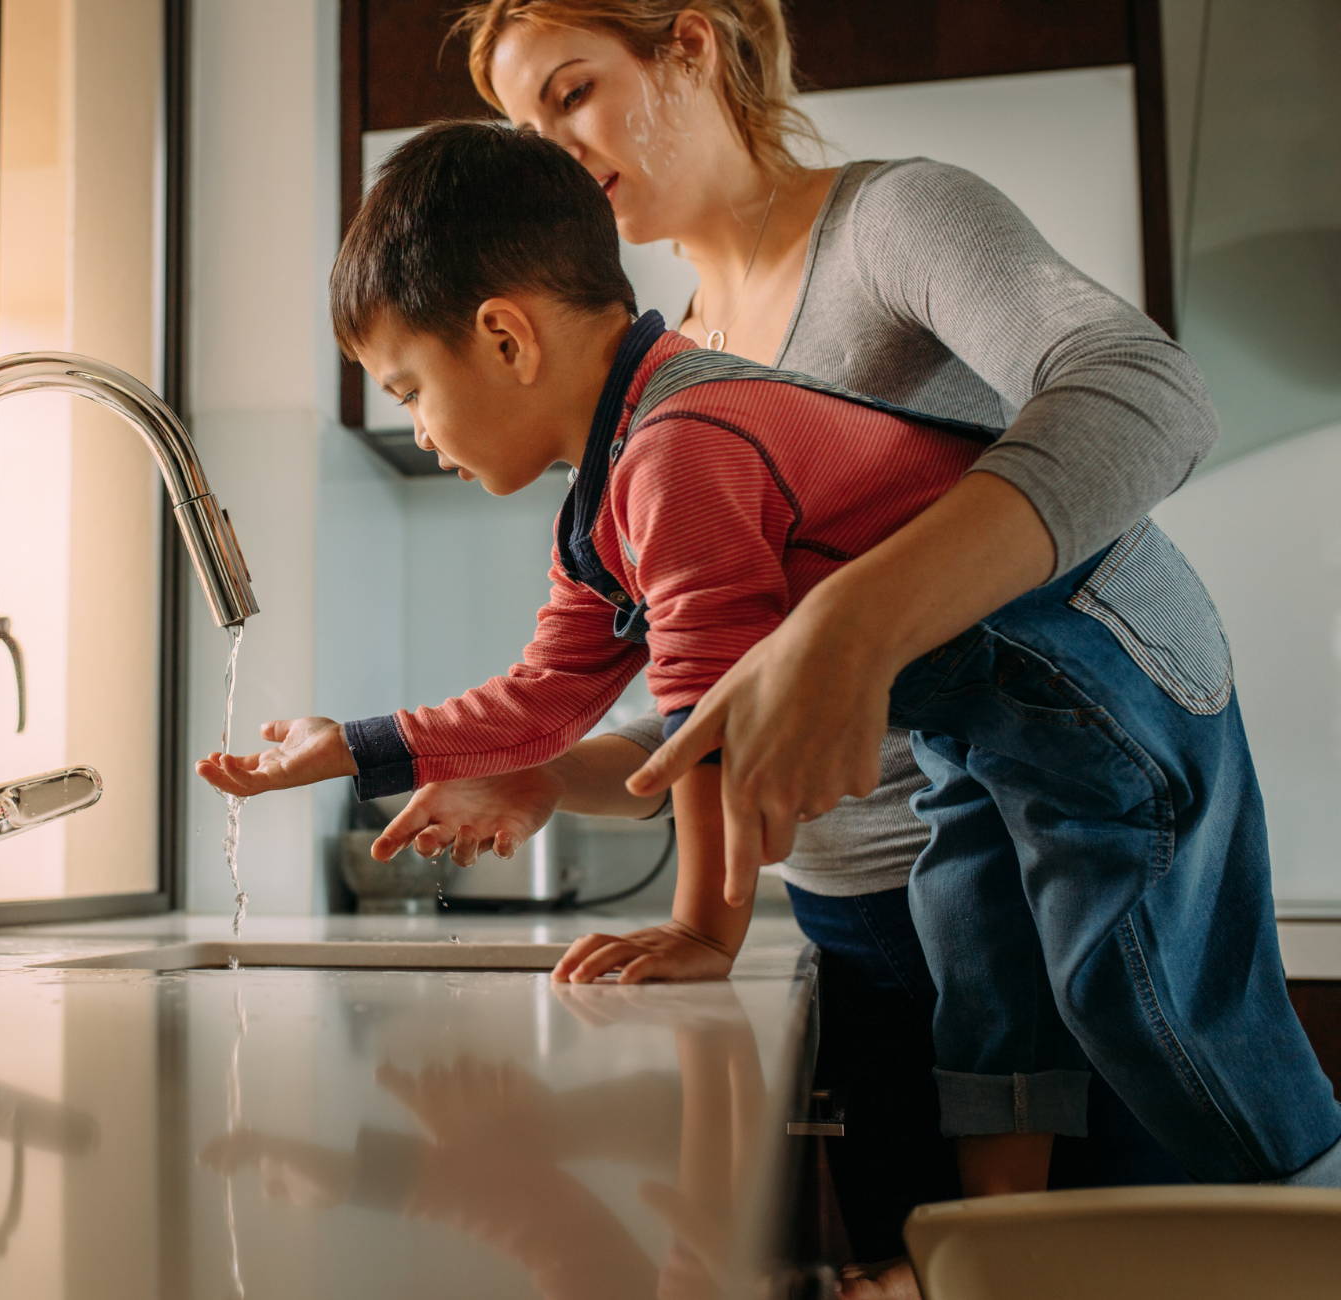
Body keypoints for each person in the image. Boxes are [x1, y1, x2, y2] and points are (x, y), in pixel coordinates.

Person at [195, 118, 1341, 1275]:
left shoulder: (678, 446)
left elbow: (703, 731)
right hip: (970, 715)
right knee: (982, 976)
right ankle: (996, 1253)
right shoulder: (608, 485)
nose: (419, 428)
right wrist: (350, 745)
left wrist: (703, 929)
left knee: (1139, 1000)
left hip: (1093, 666)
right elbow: (547, 698)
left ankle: (1311, 1222)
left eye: (407, 387)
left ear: (502, 337)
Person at [367, 0, 1227, 1284]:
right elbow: (726, 705)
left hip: (1030, 904)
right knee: (917, 1268)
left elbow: (1145, 393)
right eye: (515, 125)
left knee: (1087, 1265)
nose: (544, 151)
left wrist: (852, 618)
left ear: (690, 45)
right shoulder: (669, 356)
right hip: (852, 932)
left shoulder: (891, 223)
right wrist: (556, 771)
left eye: (569, 92)